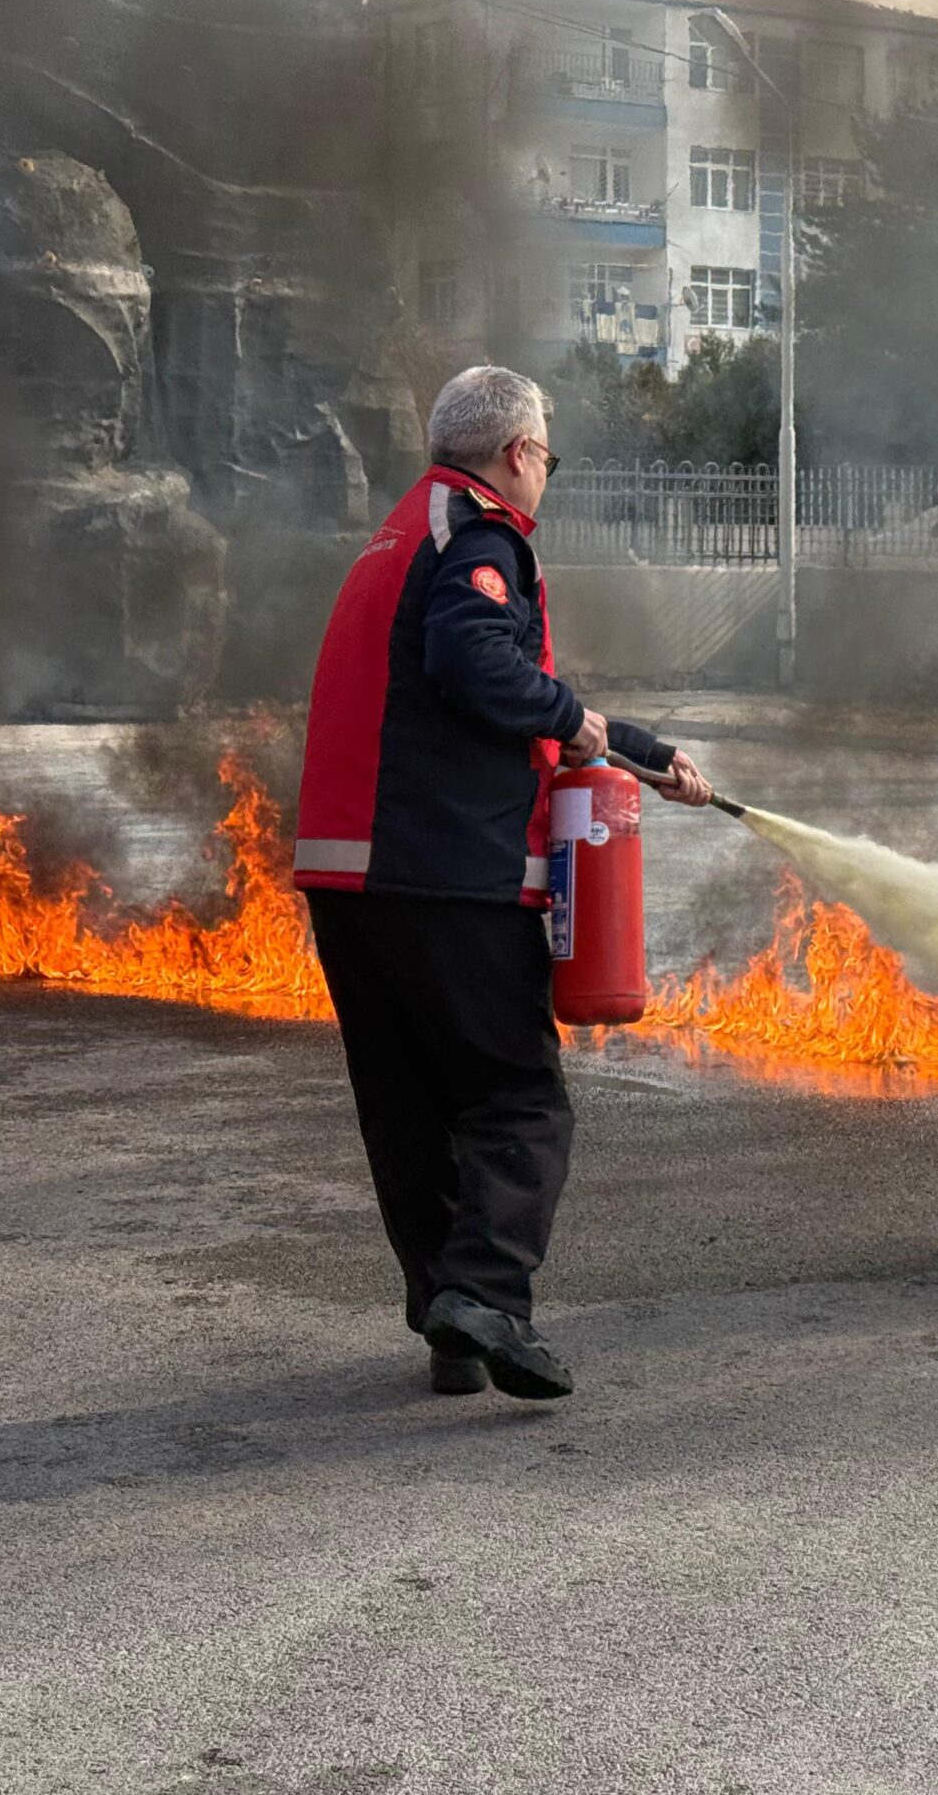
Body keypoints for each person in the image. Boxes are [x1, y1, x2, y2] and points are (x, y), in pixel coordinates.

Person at [292, 365, 713, 1400]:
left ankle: (449, 1324)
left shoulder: (403, 531)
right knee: (516, 1100)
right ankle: (484, 1295)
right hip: (448, 874)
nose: (545, 474)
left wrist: (628, 752)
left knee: (407, 1107)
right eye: (548, 455)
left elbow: (458, 703)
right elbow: (478, 669)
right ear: (519, 453)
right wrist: (596, 730)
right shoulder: (480, 536)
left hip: (353, 881)